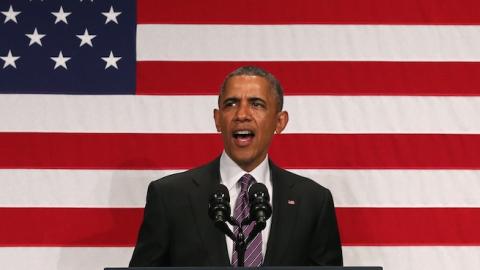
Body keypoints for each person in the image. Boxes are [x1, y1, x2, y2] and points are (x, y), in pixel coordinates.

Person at [129, 66, 343, 266]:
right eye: (231, 104)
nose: (242, 115)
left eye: (256, 104)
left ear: (280, 122)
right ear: (217, 119)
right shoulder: (169, 196)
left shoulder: (313, 201)